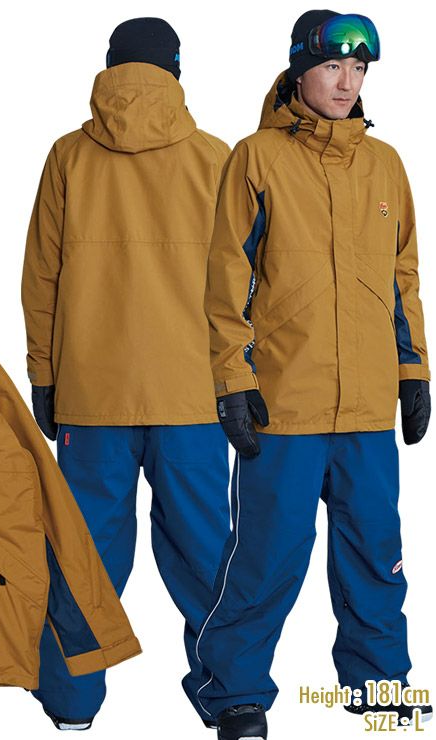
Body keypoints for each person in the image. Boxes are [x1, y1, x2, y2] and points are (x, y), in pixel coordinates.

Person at [187, 11, 432, 740]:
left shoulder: (385, 164)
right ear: (300, 70)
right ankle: (234, 692)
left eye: (359, 69)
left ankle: (379, 688)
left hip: (366, 409)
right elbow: (225, 280)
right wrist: (232, 380)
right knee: (265, 560)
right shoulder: (256, 158)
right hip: (284, 404)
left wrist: (413, 370)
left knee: (376, 558)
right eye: (332, 67)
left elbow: (403, 277)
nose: (347, 82)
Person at [21, 16, 233, 731]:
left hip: (92, 397)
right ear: (176, 71)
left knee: (82, 560)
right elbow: (248, 287)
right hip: (193, 396)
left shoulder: (68, 158)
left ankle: (71, 705)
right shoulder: (216, 159)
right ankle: (229, 701)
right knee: (208, 558)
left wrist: (44, 375)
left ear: (110, 68)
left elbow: (41, 278)